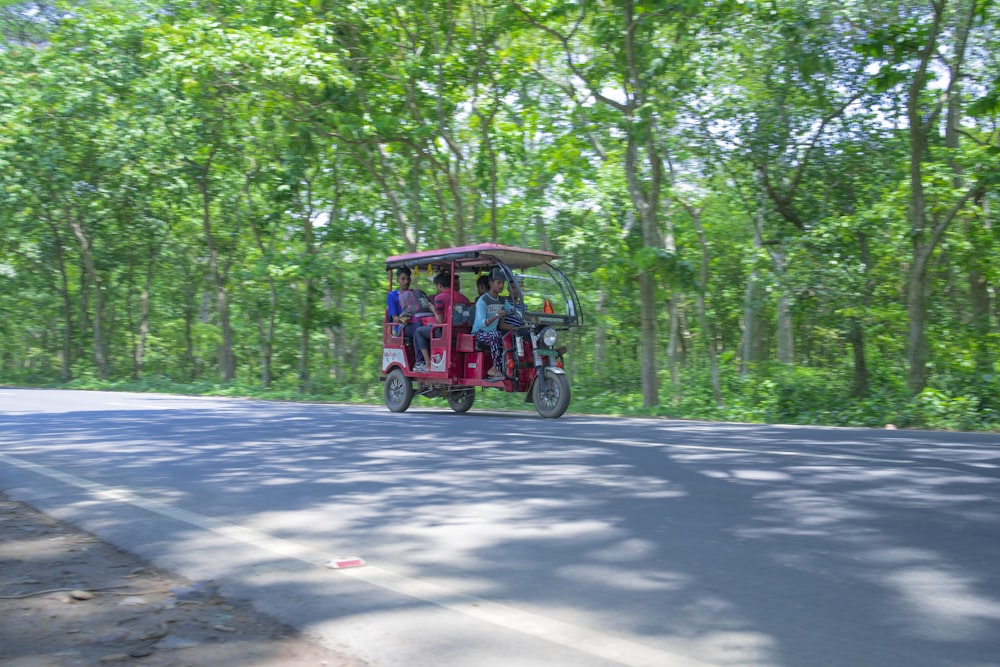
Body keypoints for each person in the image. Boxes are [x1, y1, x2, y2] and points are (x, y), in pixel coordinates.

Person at [412, 272, 471, 372]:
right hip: (464, 333)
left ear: (439, 285)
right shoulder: (464, 298)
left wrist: (433, 309)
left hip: (448, 333)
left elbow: (440, 321)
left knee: (418, 331)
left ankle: (427, 364)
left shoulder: (440, 298)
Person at [472, 268, 507, 380]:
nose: (501, 286)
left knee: (510, 337)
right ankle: (494, 369)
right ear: (491, 283)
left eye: (503, 283)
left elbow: (513, 310)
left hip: (492, 333)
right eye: (499, 283)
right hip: (479, 334)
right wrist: (496, 316)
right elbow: (482, 324)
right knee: (495, 335)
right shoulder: (483, 301)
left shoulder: (501, 300)